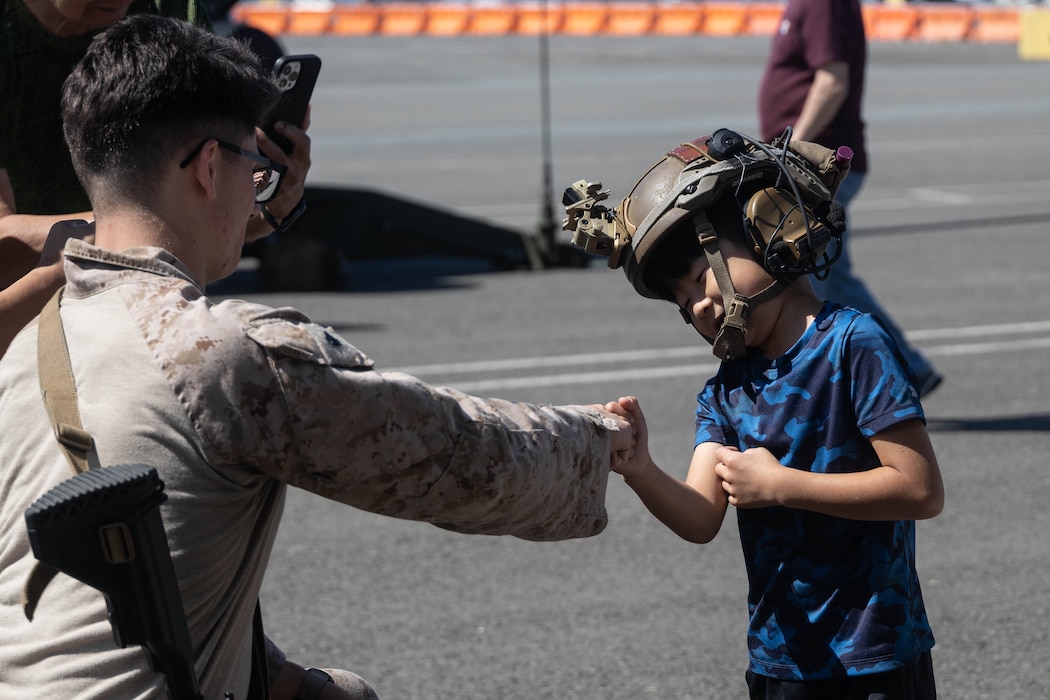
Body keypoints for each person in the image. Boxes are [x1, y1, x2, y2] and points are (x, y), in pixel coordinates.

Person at [0, 15, 633, 700]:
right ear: (210, 168)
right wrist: (601, 442)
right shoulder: (221, 355)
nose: (259, 189)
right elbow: (458, 458)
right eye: (254, 165)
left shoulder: (28, 344)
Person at [568, 129, 944, 698]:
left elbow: (919, 490)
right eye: (681, 302)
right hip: (780, 663)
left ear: (767, 230)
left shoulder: (852, 344)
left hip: (876, 659)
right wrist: (640, 468)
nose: (697, 304)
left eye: (699, 277)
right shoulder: (724, 393)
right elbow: (700, 517)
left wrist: (782, 485)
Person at [0, 0, 311, 360]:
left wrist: (263, 202)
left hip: (139, 329)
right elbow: (5, 238)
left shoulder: (173, 8)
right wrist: (147, 223)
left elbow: (198, 222)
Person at [757, 0, 942, 396]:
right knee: (814, 272)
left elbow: (832, 80)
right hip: (809, 161)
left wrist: (792, 148)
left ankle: (898, 367)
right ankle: (874, 375)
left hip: (819, 164)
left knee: (821, 272)